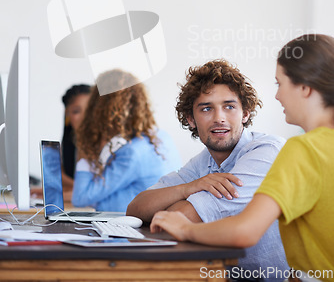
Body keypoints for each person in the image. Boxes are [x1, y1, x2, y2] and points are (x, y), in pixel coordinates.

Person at [150, 34, 334, 279]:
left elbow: (245, 231)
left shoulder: (302, 149)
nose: (277, 95)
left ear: (304, 87)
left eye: (280, 84)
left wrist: (184, 229)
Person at [128, 59, 289, 278]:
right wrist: (188, 189)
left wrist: (175, 204)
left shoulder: (266, 151)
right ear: (191, 119)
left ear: (245, 114)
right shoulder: (202, 162)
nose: (219, 118)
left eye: (229, 106)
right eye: (206, 108)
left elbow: (180, 216)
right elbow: (136, 207)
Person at [72, 69, 181, 212]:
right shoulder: (161, 137)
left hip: (135, 227)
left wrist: (85, 153)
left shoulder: (131, 152)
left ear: (99, 108)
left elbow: (80, 198)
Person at [61, 84, 92, 191]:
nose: (84, 117)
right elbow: (59, 177)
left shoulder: (107, 146)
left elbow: (93, 191)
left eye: (89, 111)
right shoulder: (68, 145)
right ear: (67, 114)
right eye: (76, 111)